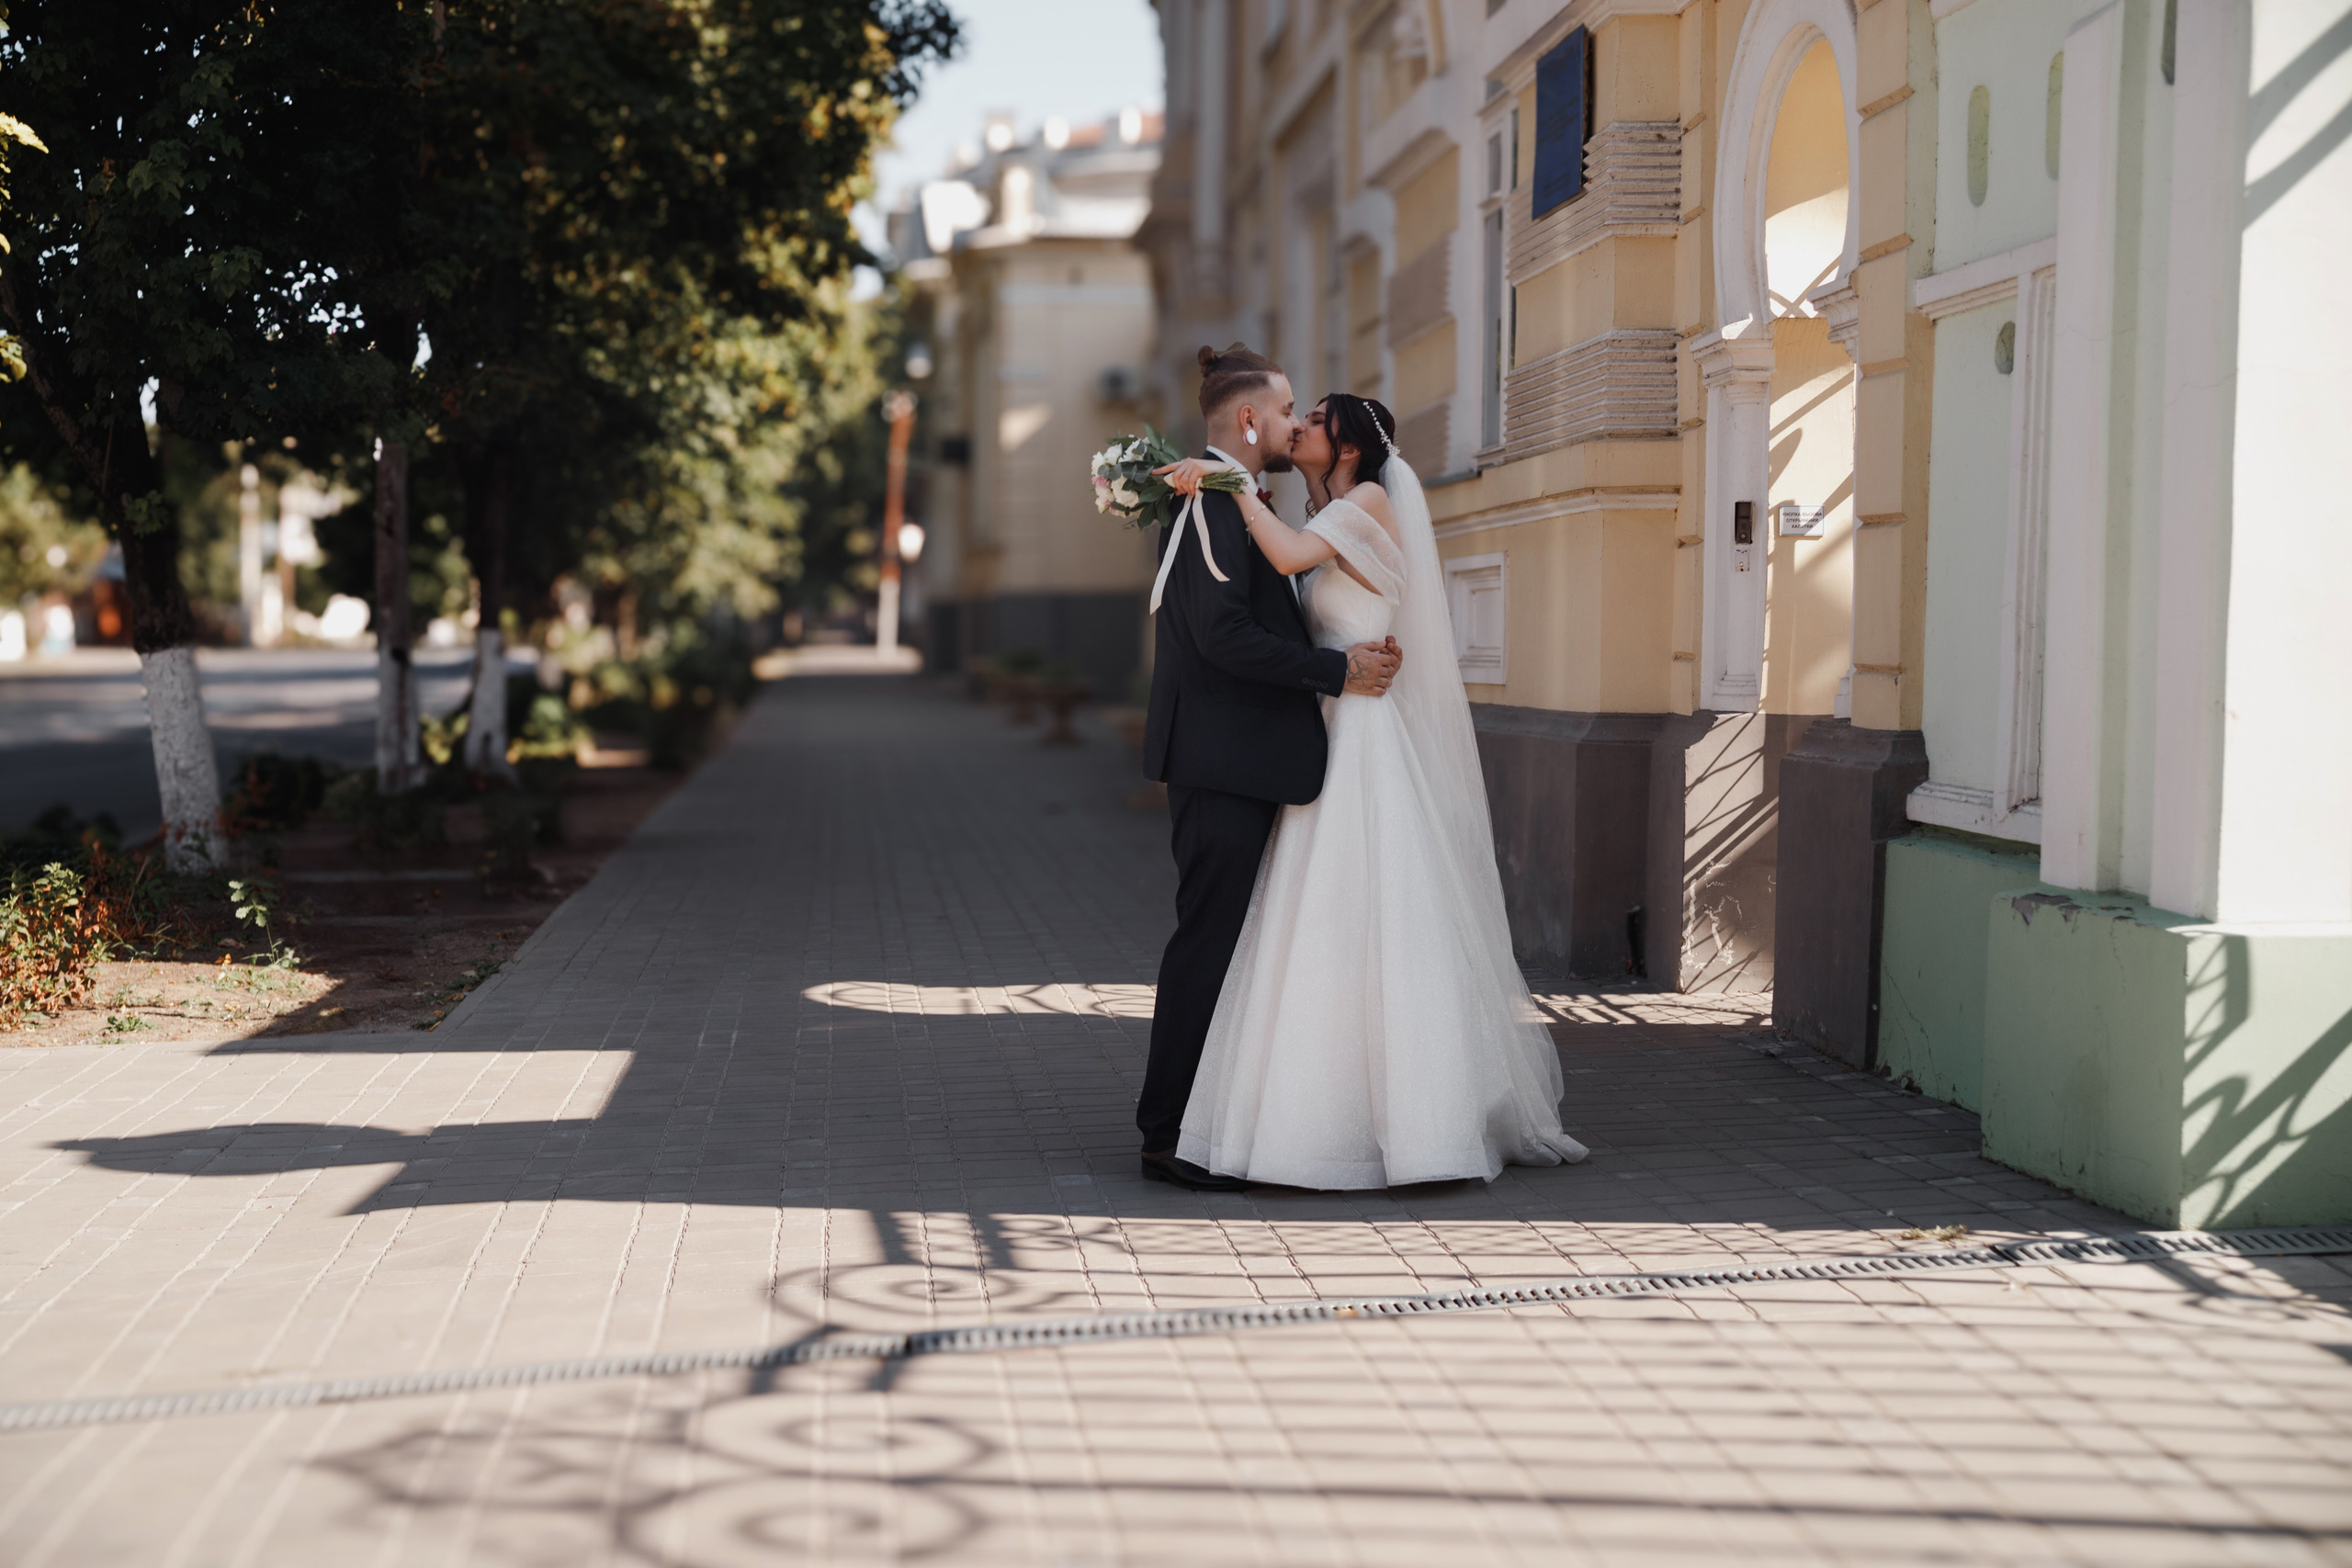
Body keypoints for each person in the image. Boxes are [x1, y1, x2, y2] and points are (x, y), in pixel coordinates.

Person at [1154, 393, 1589, 1188]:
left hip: (1364, 735)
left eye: (1314, 418)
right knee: (1321, 920)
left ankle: (1417, 1118)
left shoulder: (1370, 498)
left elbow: (1284, 559)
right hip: (1332, 728)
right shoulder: (1332, 510)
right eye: (1295, 412)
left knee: (1373, 914)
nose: (1301, 426)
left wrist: (1224, 484)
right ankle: (1317, 1102)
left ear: (1349, 444)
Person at [1136, 345, 1404, 1192]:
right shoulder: (1213, 503)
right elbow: (1220, 637)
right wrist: (1337, 672)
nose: (1295, 424)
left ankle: (1205, 1120)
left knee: (1226, 941)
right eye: (1289, 410)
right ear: (1251, 421)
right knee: (1207, 942)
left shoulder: (1224, 497)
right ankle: (1167, 1134)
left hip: (1238, 756)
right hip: (1224, 759)